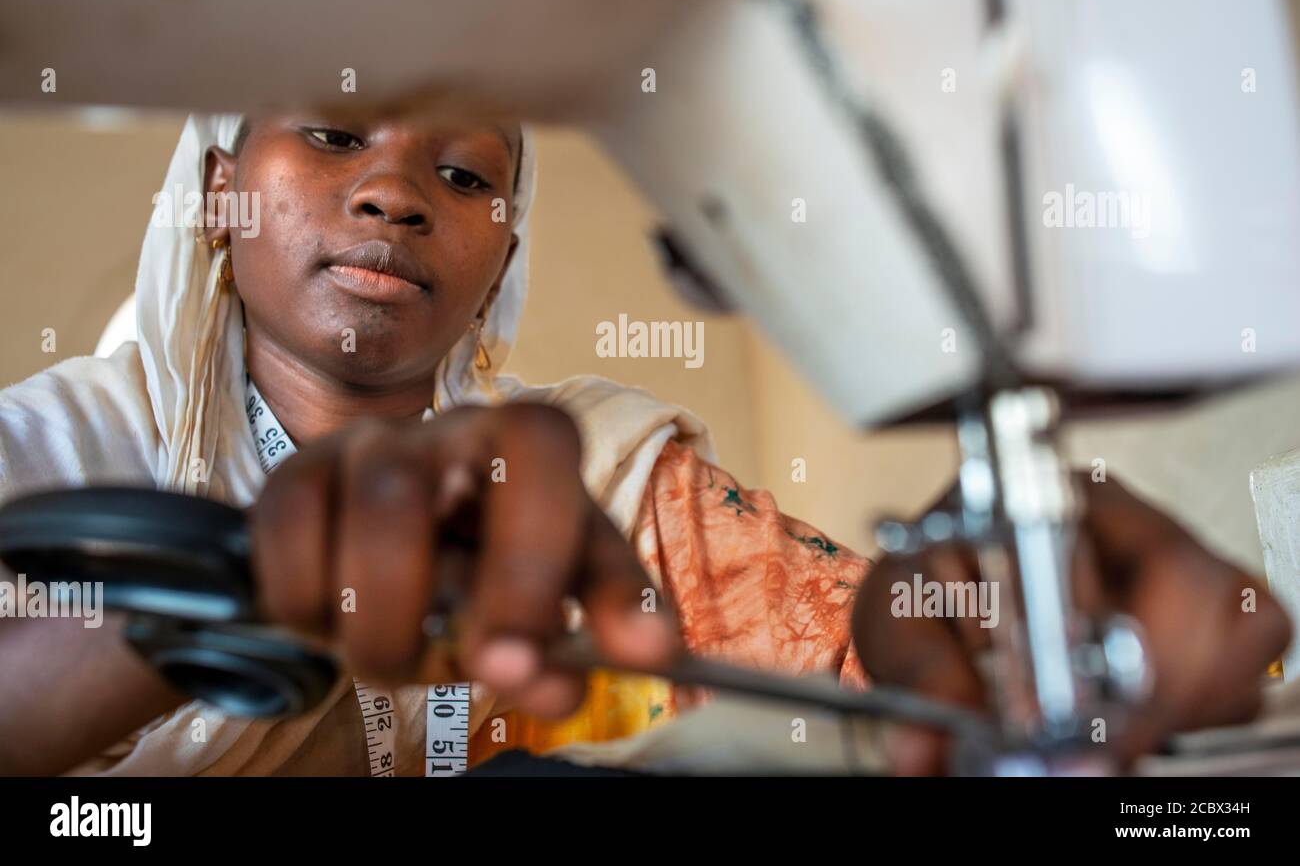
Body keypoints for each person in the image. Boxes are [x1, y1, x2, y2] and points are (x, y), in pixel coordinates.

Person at [0, 113, 1288, 775]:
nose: (396, 193)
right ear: (219, 192)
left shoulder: (596, 468)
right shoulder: (47, 452)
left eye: (465, 177)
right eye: (333, 139)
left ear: (504, 247)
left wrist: (950, 619)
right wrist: (230, 592)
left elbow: (833, 643)